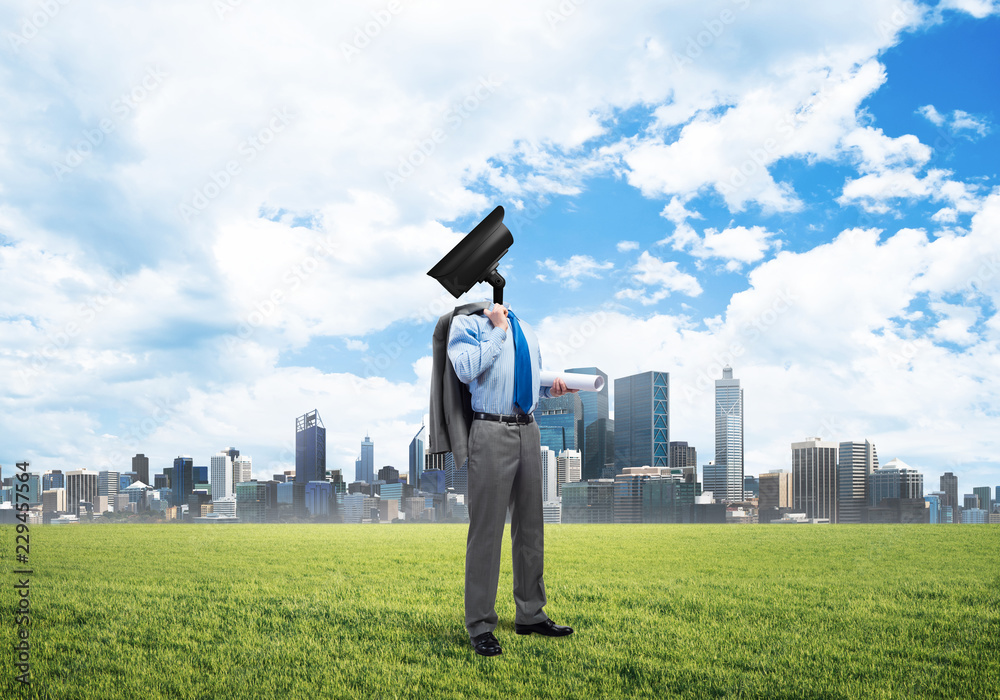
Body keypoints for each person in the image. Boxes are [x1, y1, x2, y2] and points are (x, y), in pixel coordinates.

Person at [447, 300, 577, 657]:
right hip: (490, 429)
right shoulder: (468, 325)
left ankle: (531, 614)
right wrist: (498, 329)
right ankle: (480, 626)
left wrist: (553, 389)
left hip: (529, 430)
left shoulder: (528, 330)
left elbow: (527, 382)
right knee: (487, 531)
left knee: (532, 527)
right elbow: (465, 369)